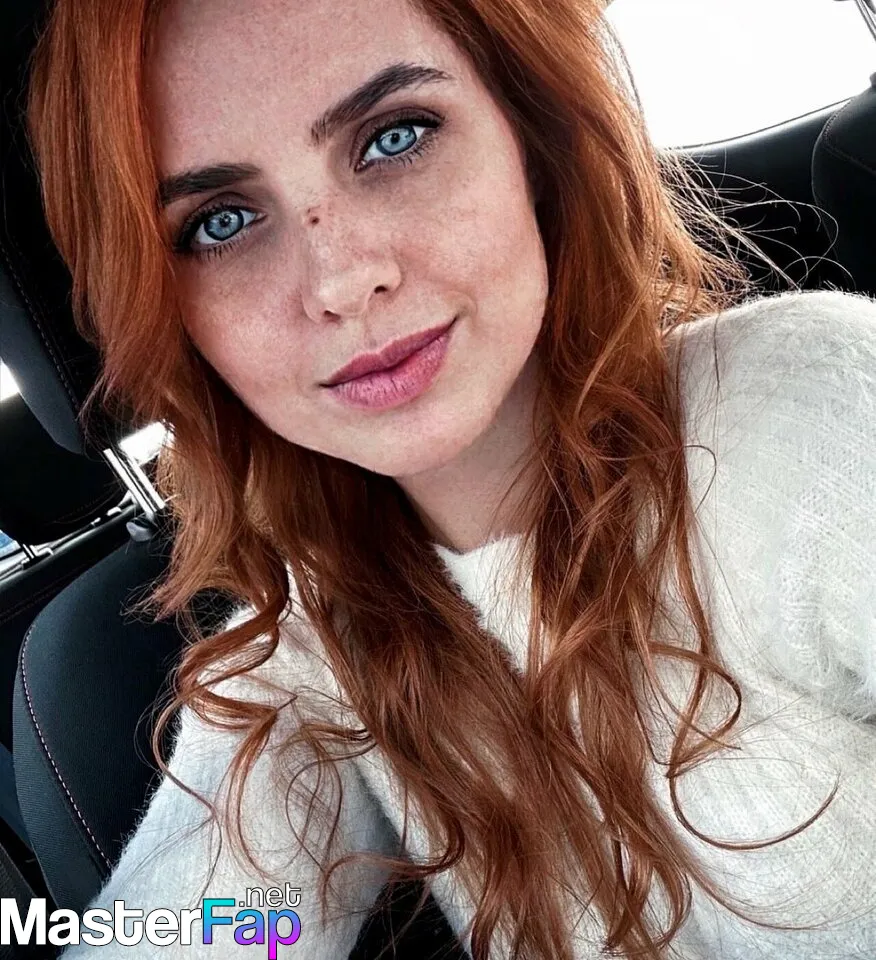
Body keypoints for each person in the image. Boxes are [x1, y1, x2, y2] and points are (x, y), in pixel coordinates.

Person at [23, 0, 876, 956]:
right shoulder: (303, 658)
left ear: (532, 136)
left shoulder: (818, 410)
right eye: (221, 222)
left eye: (395, 137)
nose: (343, 280)